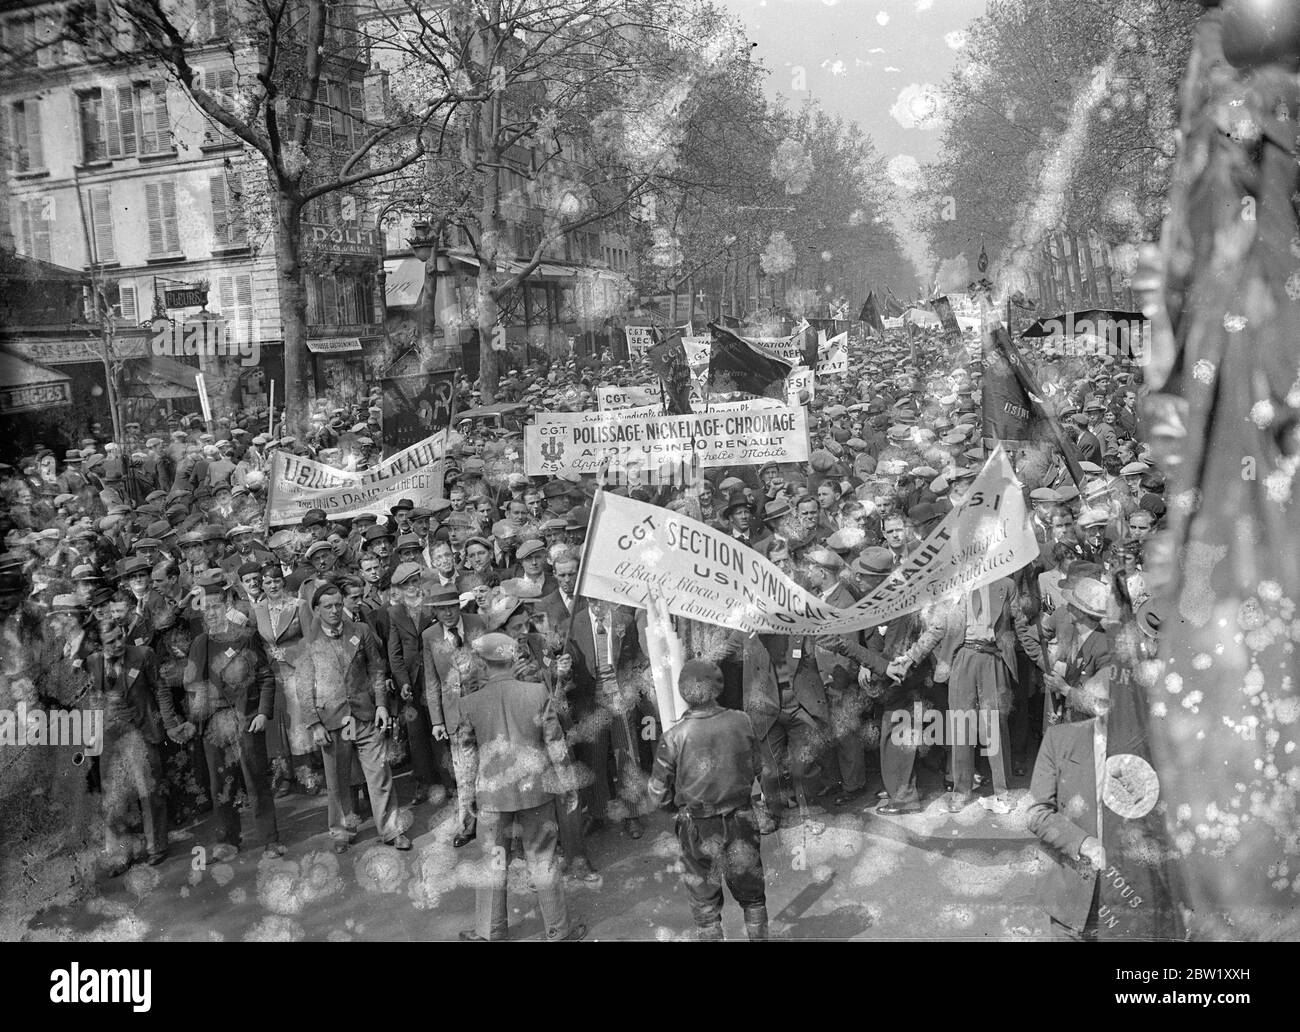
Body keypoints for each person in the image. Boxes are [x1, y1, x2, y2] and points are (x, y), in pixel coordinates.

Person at [455, 632, 585, 941]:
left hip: (491, 798)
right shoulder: (538, 692)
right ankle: (558, 930)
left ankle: (491, 931)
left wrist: (466, 797)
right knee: (543, 860)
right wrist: (567, 783)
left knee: (493, 862)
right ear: (512, 659)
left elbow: (466, 754)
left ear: (482, 664)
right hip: (536, 792)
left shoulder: (469, 702)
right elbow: (556, 742)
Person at [647, 660, 768, 940]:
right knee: (753, 898)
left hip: (697, 827)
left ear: (683, 692)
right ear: (718, 687)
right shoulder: (742, 720)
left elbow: (657, 793)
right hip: (741, 819)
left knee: (705, 906)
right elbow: (762, 768)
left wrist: (675, 811)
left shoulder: (674, 737)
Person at [294, 583, 411, 854]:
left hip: (365, 715)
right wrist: (314, 724)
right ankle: (341, 831)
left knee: (379, 773)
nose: (335, 611)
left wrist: (381, 705)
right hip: (333, 720)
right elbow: (303, 685)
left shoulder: (361, 632)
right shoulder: (307, 644)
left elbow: (377, 670)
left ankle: (391, 830)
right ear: (316, 610)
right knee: (338, 780)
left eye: (338, 604)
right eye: (328, 606)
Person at [183, 569, 285, 860]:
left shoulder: (245, 638)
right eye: (205, 605)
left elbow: (266, 677)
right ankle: (228, 840)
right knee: (221, 786)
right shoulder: (200, 643)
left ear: (226, 604)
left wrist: (263, 713)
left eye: (216, 604)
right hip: (214, 726)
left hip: (245, 721)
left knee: (256, 782)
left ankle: (270, 840)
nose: (211, 611)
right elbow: (192, 687)